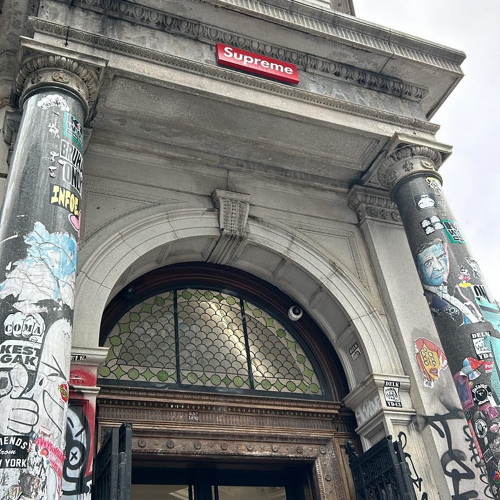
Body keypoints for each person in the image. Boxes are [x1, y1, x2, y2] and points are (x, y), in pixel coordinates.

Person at [416, 238, 481, 327]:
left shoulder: (455, 289)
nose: (439, 267)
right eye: (428, 263)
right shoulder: (430, 298)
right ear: (420, 272)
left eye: (441, 257)